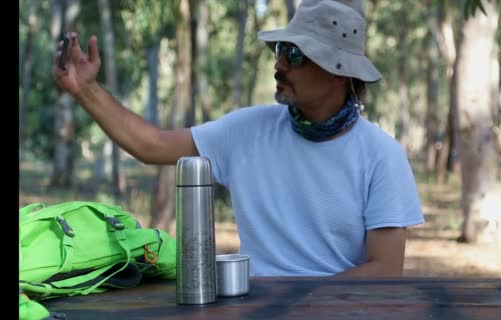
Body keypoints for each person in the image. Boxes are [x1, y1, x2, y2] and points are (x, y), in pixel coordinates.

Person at [52, 0, 424, 277]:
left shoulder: (380, 155)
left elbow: (386, 270)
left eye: (294, 54)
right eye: (280, 51)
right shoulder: (248, 131)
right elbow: (152, 146)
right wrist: (86, 91)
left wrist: (300, 305)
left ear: (338, 74)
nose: (278, 65)